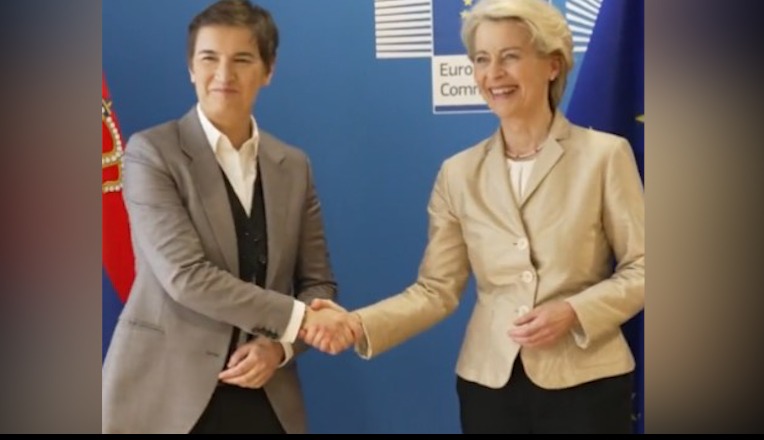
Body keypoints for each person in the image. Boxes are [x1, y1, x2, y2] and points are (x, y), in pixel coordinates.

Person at [303, 0, 644, 434]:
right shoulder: (458, 173)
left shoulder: (605, 156)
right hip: (489, 386)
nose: (493, 73)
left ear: (553, 65)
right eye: (482, 59)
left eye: (510, 56)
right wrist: (356, 324)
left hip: (588, 384)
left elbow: (644, 267)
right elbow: (436, 290)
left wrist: (574, 311)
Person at [102, 0, 353, 434]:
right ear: (190, 68)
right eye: (209, 58)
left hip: (265, 392)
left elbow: (318, 283)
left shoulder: (294, 166)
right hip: (164, 395)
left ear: (268, 70)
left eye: (242, 59)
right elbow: (186, 276)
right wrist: (301, 320)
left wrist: (278, 348)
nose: (224, 74)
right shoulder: (151, 153)